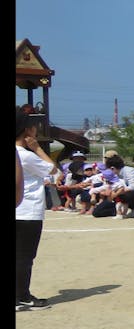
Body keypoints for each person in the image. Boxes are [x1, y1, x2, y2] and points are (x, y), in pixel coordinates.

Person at [16, 109, 58, 311]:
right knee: (25, 256)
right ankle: (22, 296)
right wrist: (38, 148)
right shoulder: (26, 156)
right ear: (27, 131)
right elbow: (53, 169)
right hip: (27, 211)